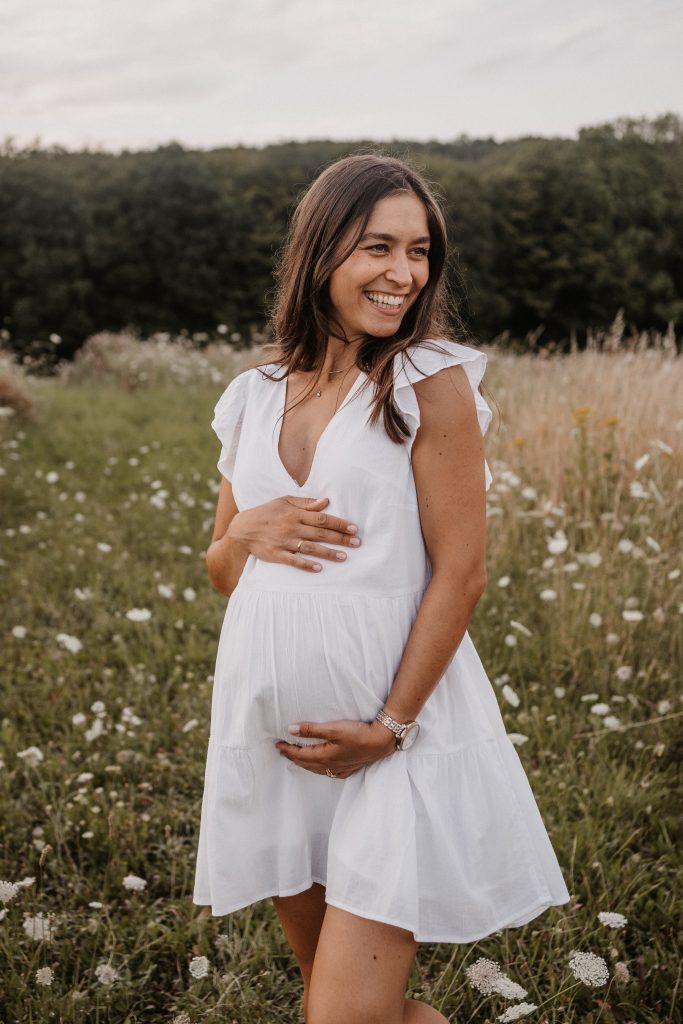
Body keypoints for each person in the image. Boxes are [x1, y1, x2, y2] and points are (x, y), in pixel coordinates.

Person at [193, 154, 570, 1023]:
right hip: (277, 743)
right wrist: (242, 531)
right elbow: (223, 571)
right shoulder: (251, 396)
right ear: (320, 251)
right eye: (377, 247)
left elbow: (461, 573)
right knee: (363, 1010)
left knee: (340, 1019)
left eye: (419, 251)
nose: (403, 274)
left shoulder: (426, 380)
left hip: (390, 739)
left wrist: (387, 729)